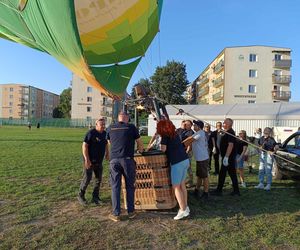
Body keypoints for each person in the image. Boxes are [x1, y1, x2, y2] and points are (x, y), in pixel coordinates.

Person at [107, 111, 144, 222]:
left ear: (119, 118)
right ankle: (131, 212)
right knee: (129, 186)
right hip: (127, 160)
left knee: (115, 187)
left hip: (114, 160)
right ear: (127, 118)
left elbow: (109, 142)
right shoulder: (131, 127)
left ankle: (116, 213)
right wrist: (141, 150)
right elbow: (139, 142)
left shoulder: (110, 127)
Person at [158, 119, 190, 220]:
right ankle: (185, 207)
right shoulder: (175, 134)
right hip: (185, 160)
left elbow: (163, 149)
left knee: (176, 187)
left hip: (177, 162)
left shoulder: (165, 136)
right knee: (182, 185)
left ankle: (183, 210)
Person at [78, 118, 109, 206]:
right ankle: (81, 195)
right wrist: (87, 160)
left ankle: (95, 197)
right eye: (101, 125)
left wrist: (107, 153)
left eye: (104, 124)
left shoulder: (104, 133)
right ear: (96, 125)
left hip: (99, 160)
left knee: (98, 179)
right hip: (89, 160)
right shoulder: (91, 133)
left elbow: (106, 143)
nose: (103, 126)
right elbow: (84, 146)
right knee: (87, 178)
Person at [212, 118, 240, 196]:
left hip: (229, 157)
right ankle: (236, 191)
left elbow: (230, 145)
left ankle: (219, 190)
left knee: (223, 173)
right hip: (226, 156)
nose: (223, 124)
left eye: (224, 123)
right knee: (231, 173)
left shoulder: (230, 132)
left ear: (228, 124)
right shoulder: (226, 132)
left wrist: (226, 157)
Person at [188, 120, 210, 200]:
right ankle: (197, 190)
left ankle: (206, 193)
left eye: (194, 125)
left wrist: (181, 144)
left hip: (202, 158)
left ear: (198, 126)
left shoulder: (200, 133)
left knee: (204, 176)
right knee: (199, 176)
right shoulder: (198, 133)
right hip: (200, 158)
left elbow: (190, 140)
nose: (193, 126)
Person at [182, 120, 195, 187]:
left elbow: (190, 142)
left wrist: (188, 150)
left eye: (187, 124)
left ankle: (191, 181)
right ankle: (184, 180)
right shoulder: (183, 131)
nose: (185, 125)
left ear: (190, 125)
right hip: (182, 151)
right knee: (184, 166)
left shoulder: (191, 132)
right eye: (185, 124)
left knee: (188, 166)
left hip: (188, 151)